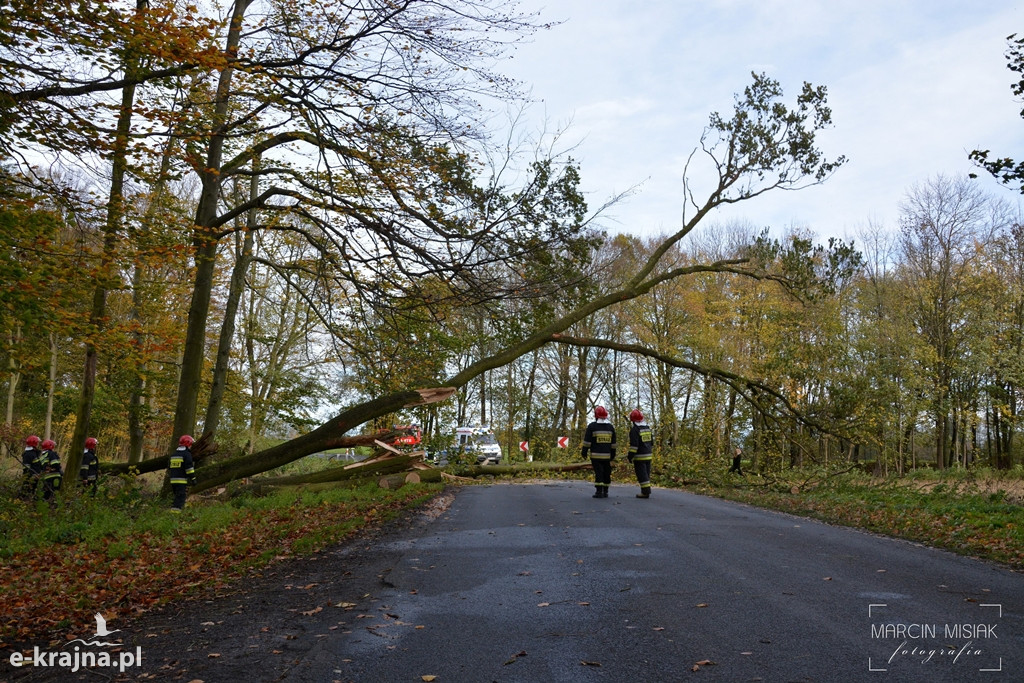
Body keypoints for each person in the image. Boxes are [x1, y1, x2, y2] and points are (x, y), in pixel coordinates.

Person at [581, 405, 616, 498]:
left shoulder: (592, 426)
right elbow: (613, 443)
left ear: (596, 415)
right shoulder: (610, 427)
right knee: (606, 473)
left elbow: (587, 441)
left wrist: (584, 452)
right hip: (607, 456)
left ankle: (599, 491)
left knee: (599, 473)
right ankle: (605, 491)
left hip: (595, 456)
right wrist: (613, 454)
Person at [627, 409, 654, 498]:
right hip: (648, 455)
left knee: (642, 475)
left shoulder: (635, 430)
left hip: (640, 457)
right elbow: (652, 442)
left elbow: (634, 446)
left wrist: (630, 456)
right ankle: (645, 491)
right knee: (646, 474)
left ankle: (645, 492)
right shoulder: (647, 428)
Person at [169, 434, 196, 512]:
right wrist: (193, 478)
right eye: (191, 444)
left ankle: (175, 512)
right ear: (188, 444)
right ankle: (175, 514)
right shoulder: (187, 454)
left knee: (177, 496)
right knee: (180, 497)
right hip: (181, 481)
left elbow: (169, 467)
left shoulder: (173, 455)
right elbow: (189, 468)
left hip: (173, 481)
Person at [20, 435, 44, 499]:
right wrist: (32, 475)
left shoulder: (34, 453)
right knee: (26, 491)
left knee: (32, 491)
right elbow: (26, 468)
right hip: (30, 478)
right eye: (37, 443)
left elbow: (37, 464)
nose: (38, 444)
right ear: (34, 443)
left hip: (35, 476)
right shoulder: (28, 454)